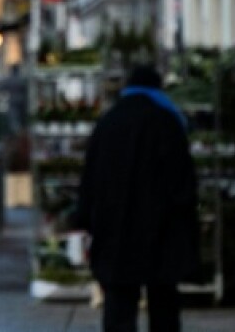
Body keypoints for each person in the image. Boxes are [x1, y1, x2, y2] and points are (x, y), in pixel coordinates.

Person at [75, 64, 198, 332]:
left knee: (119, 305)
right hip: (161, 231)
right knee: (163, 304)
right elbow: (184, 181)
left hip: (116, 231)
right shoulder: (167, 121)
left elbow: (90, 177)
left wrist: (84, 218)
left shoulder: (108, 123)